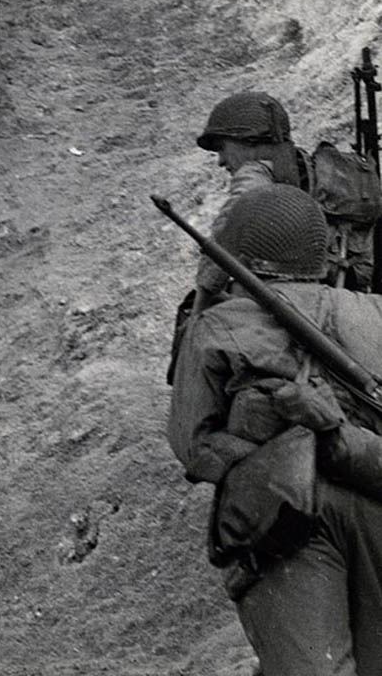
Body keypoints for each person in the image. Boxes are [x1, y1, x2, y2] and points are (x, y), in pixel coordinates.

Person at [168, 184, 382, 676]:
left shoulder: (219, 326)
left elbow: (191, 445)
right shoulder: (372, 313)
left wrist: (264, 441)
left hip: (284, 519)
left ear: (239, 255)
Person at [167, 93, 302, 384]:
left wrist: (199, 313)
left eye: (223, 148)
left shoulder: (254, 178)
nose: (220, 161)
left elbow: (222, 250)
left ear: (249, 143)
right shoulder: (301, 168)